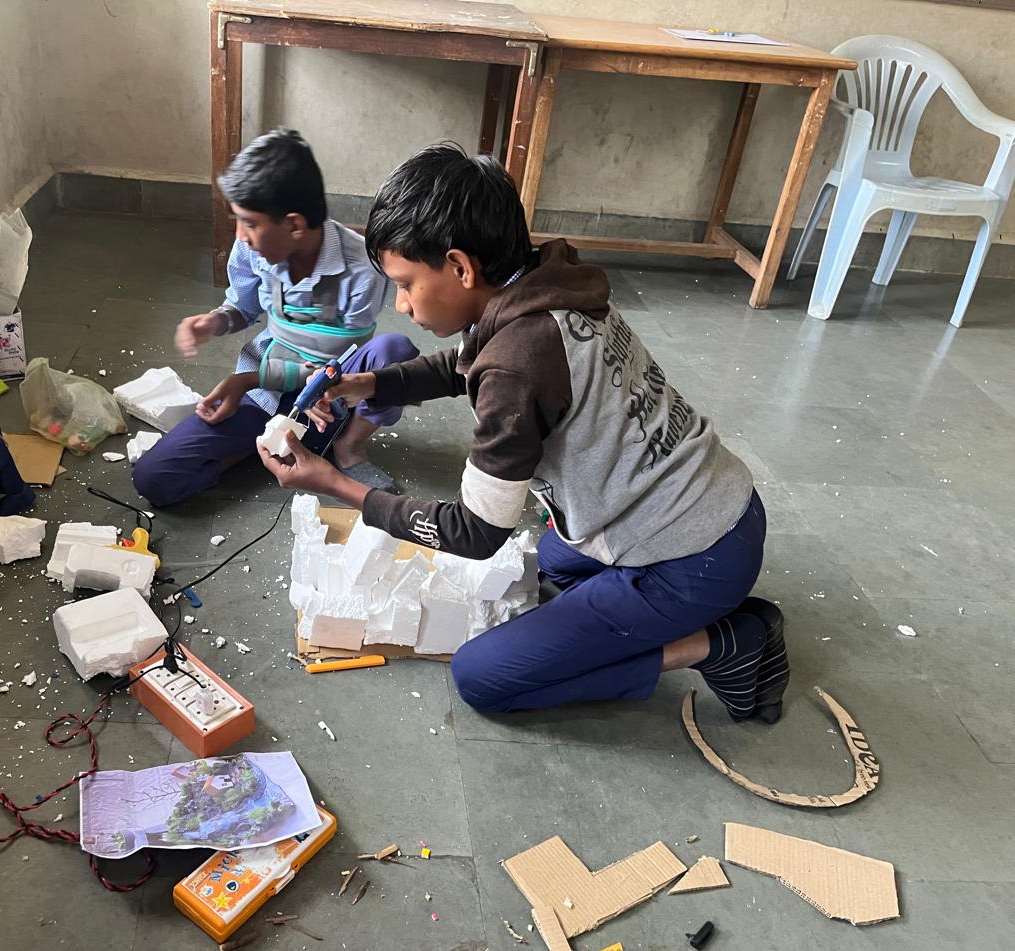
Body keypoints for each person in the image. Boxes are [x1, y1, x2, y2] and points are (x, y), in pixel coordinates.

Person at [257, 143, 788, 723]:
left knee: (485, 677)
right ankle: (644, 610)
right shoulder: (542, 285)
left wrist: (334, 484)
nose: (402, 305)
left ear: (460, 268)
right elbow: (470, 363)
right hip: (723, 505)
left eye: (406, 285)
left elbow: (475, 532)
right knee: (552, 561)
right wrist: (368, 385)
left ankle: (724, 643)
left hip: (693, 560)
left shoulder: (517, 364)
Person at [132, 128, 418, 506]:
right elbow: (243, 307)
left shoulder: (361, 269)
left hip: (330, 400)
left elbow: (335, 365)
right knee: (153, 478)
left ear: (294, 225)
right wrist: (217, 321)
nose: (241, 236)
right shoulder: (253, 249)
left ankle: (346, 447)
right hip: (264, 393)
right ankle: (266, 447)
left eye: (249, 223)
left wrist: (245, 380)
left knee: (394, 351)